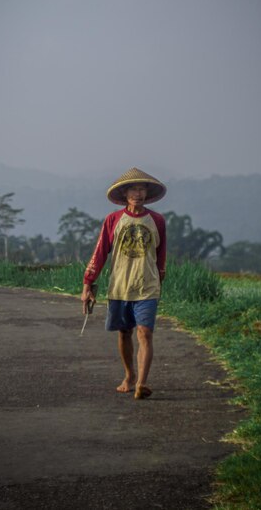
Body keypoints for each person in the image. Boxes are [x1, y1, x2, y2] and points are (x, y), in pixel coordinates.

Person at [81, 167, 167, 400]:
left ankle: (142, 383)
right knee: (124, 332)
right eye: (133, 189)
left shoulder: (157, 221)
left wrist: (159, 281)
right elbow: (100, 253)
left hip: (147, 287)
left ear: (147, 193)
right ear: (125, 193)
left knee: (145, 332)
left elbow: (161, 258)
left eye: (142, 189)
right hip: (119, 286)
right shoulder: (113, 220)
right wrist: (88, 283)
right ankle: (129, 375)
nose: (138, 194)